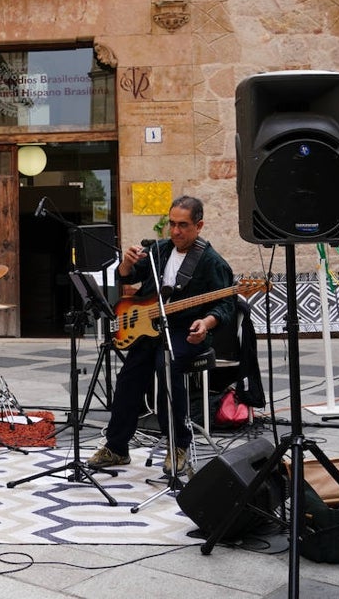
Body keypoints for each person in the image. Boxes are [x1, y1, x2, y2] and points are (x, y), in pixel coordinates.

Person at [86, 195, 235, 477]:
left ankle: (178, 446)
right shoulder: (160, 250)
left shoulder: (212, 262)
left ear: (199, 225)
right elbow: (129, 278)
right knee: (129, 377)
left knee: (167, 368)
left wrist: (206, 322)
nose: (176, 231)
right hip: (149, 325)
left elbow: (225, 304)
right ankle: (117, 447)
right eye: (172, 224)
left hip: (185, 330)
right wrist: (126, 265)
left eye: (183, 225)